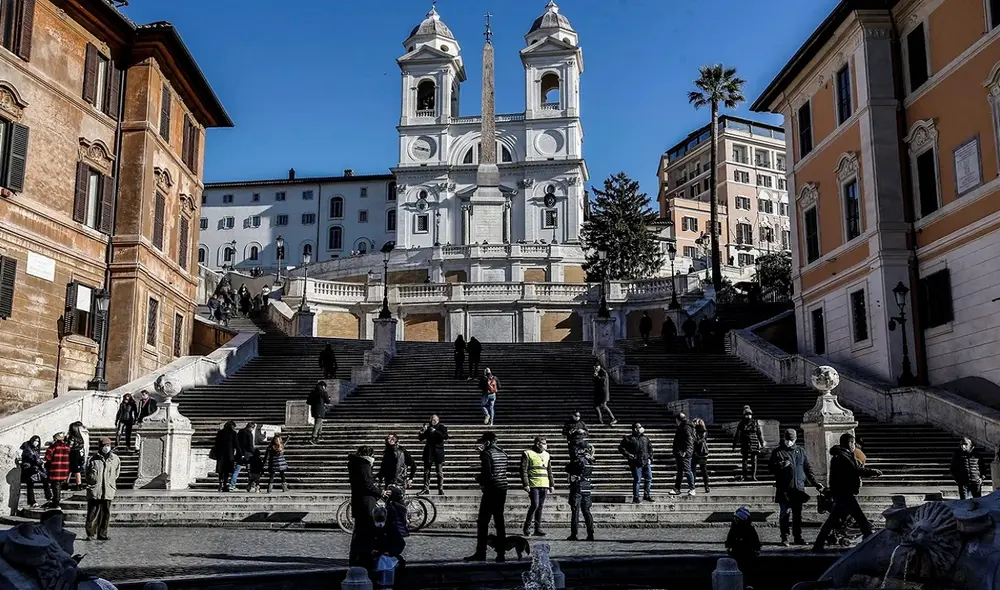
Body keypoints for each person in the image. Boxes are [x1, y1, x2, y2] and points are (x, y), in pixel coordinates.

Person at [813, 433, 882, 552]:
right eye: (853, 443)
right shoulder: (843, 457)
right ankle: (870, 539)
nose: (854, 446)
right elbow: (856, 470)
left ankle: (818, 544)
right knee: (859, 517)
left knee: (833, 520)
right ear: (849, 443)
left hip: (841, 492)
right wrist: (872, 472)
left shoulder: (842, 456)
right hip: (844, 492)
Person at [769, 428, 822, 546]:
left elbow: (807, 469)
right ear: (784, 438)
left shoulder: (800, 451)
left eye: (791, 439)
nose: (789, 442)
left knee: (797, 515)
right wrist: (781, 465)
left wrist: (815, 483)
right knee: (784, 514)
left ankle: (798, 537)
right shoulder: (778, 452)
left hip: (798, 489)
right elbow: (771, 467)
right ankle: (785, 537)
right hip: (784, 490)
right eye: (787, 439)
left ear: (795, 439)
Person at [464, 431, 509, 563]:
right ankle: (501, 553)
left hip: (491, 490)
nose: (482, 444)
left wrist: (478, 478)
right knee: (499, 521)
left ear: (488, 442)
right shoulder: (503, 453)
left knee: (483, 522)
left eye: (483, 442)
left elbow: (488, 473)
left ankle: (481, 552)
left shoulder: (486, 453)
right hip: (502, 488)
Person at [349, 445, 386, 567]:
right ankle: (363, 556)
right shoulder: (364, 465)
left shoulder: (355, 463)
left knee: (359, 531)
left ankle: (357, 557)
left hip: (359, 501)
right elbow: (368, 484)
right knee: (366, 530)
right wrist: (381, 492)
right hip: (366, 502)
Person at [84, 437, 120, 541]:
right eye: (105, 445)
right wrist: (93, 481)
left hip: (108, 489)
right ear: (100, 446)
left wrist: (110, 481)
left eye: (108, 445)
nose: (107, 447)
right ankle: (90, 533)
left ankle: (102, 533)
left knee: (106, 513)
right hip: (95, 489)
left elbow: (117, 473)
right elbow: (87, 473)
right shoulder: (92, 459)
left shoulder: (115, 459)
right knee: (92, 512)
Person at [520, 437, 555, 537]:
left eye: (545, 443)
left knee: (540, 506)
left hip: (544, 483)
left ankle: (537, 529)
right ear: (537, 444)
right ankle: (526, 527)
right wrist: (526, 484)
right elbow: (523, 470)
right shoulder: (527, 453)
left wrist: (551, 484)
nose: (545, 445)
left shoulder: (547, 454)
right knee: (535, 504)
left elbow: (549, 471)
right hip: (533, 483)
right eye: (543, 443)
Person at [566, 441, 595, 541]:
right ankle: (590, 534)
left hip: (577, 487)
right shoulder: (591, 460)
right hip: (587, 488)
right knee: (587, 511)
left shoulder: (578, 460)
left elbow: (568, 468)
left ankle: (574, 534)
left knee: (575, 511)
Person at [618, 422, 654, 503]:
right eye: (640, 427)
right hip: (636, 462)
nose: (642, 428)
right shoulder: (629, 438)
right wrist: (628, 455)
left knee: (648, 478)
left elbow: (650, 448)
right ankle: (636, 497)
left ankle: (646, 495)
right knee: (637, 480)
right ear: (635, 429)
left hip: (646, 461)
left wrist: (650, 458)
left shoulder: (645, 438)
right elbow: (621, 448)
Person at [418, 415, 449, 496]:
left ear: (438, 419)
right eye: (431, 419)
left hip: (438, 451)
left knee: (439, 472)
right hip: (428, 452)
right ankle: (426, 488)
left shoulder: (442, 427)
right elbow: (421, 438)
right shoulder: (428, 428)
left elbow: (445, 436)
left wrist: (435, 431)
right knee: (426, 472)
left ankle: (440, 488)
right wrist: (422, 431)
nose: (432, 421)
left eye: (434, 419)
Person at [725, 507, 761, 576]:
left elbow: (755, 540)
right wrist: (729, 546)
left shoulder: (749, 529)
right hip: (736, 551)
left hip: (748, 552)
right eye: (735, 517)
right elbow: (730, 538)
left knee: (748, 569)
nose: (735, 519)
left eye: (737, 518)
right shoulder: (734, 528)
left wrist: (757, 549)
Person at [733, 406, 765, 482]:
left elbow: (759, 433)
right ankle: (745, 476)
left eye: (749, 414)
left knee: (754, 461)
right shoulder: (741, 423)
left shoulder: (755, 422)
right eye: (747, 414)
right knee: (745, 461)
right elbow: (737, 434)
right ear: (744, 415)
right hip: (745, 443)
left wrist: (761, 443)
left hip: (754, 443)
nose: (748, 416)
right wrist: (734, 444)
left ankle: (753, 476)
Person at [19, 436, 50, 510]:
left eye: (38, 441)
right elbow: (33, 459)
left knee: (43, 481)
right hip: (29, 469)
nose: (37, 443)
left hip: (33, 468)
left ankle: (46, 497)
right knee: (31, 485)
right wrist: (40, 462)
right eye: (35, 441)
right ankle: (33, 501)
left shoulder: (34, 449)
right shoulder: (28, 449)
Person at [669, 413, 696, 496]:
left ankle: (692, 488)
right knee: (680, 471)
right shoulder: (684, 426)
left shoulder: (686, 427)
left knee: (687, 470)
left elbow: (689, 440)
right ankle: (677, 488)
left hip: (684, 453)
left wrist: (686, 451)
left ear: (678, 419)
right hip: (680, 452)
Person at [44, 432, 71, 508]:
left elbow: (47, 457)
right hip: (64, 470)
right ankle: (56, 500)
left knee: (55, 486)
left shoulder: (53, 447)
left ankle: (56, 502)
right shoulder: (67, 447)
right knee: (58, 486)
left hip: (55, 469)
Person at [212, 421, 239, 492]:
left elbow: (216, 443)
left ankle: (220, 483)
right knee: (227, 471)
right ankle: (225, 484)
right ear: (232, 426)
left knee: (221, 470)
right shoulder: (233, 433)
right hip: (229, 455)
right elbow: (236, 444)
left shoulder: (220, 433)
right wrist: (240, 453)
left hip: (220, 455)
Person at [231, 421, 256, 491]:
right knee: (250, 471)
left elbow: (237, 443)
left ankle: (232, 485)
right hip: (248, 455)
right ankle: (251, 485)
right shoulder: (249, 433)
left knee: (237, 470)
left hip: (239, 454)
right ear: (251, 427)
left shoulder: (240, 432)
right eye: (253, 428)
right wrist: (254, 452)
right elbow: (250, 446)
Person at [307, 381, 332, 445]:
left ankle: (319, 436)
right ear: (323, 386)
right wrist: (328, 399)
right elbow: (328, 401)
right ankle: (313, 437)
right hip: (320, 409)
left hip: (314, 409)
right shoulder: (323, 392)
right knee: (318, 423)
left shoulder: (313, 392)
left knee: (319, 422)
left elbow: (308, 401)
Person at [691, 418, 711, 494]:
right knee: (704, 471)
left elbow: (697, 441)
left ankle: (693, 486)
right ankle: (706, 486)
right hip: (703, 454)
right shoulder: (704, 431)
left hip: (697, 453)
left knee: (694, 470)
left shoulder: (697, 430)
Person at [67, 421, 88, 491]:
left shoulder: (72, 437)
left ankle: (77, 484)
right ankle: (76, 483)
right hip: (79, 453)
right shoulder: (80, 437)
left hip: (73, 453)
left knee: (74, 470)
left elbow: (69, 446)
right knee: (75, 469)